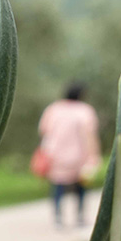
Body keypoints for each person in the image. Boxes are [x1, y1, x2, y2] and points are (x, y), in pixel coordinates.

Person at [38, 83, 101, 228]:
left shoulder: (53, 109)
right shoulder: (85, 111)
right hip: (79, 156)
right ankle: (79, 217)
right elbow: (90, 134)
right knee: (81, 187)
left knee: (58, 186)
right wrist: (94, 155)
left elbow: (43, 130)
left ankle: (58, 217)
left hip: (55, 155)